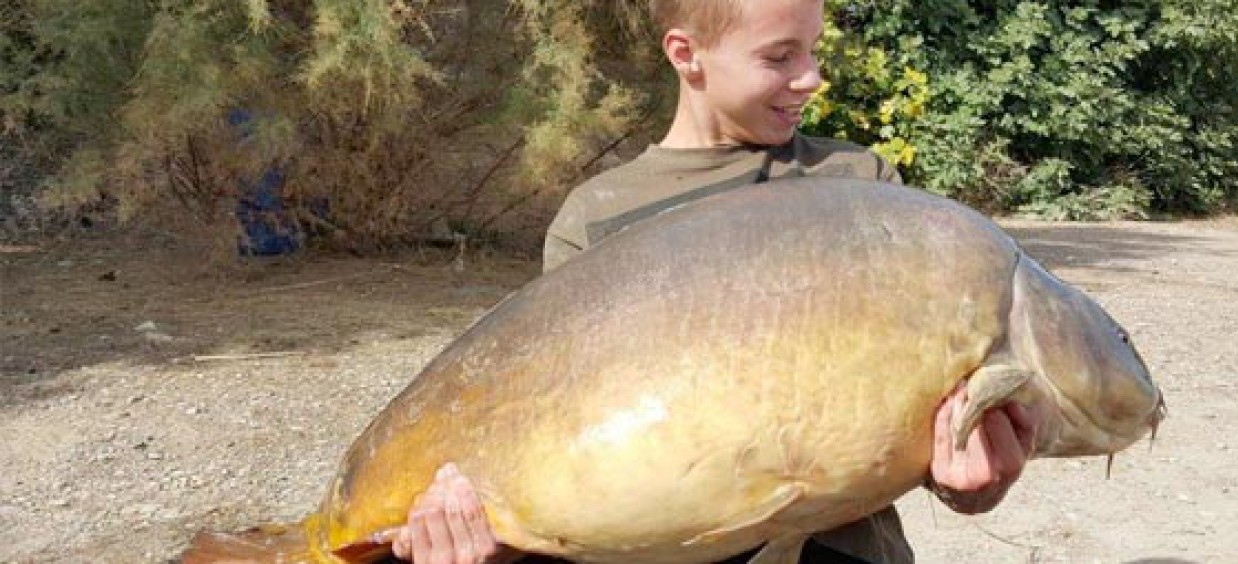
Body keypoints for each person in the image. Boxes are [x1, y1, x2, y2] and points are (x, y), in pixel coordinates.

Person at [393, 0, 1038, 562]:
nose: (811, 76)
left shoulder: (861, 188)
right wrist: (475, 529)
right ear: (686, 53)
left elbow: (918, 414)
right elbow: (568, 455)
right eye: (780, 55)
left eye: (812, 47)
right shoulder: (595, 219)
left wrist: (968, 479)